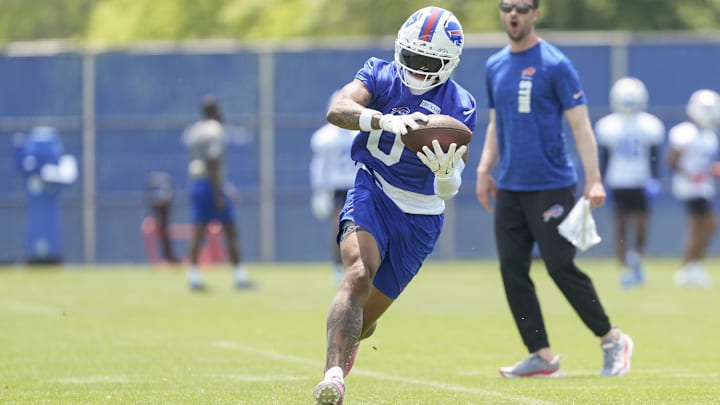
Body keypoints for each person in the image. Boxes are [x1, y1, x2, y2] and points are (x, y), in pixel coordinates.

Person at [312, 7, 476, 404]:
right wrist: (379, 120)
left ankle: (350, 339)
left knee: (362, 324)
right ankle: (333, 377)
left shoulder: (460, 103)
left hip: (421, 216)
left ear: (449, 64)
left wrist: (444, 174)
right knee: (357, 274)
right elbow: (338, 108)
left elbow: (451, 188)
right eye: (412, 58)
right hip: (374, 189)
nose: (417, 70)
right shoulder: (379, 73)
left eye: (428, 62)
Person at [474, 0, 633, 378]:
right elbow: (496, 124)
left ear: (536, 13)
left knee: (560, 266)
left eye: (522, 7)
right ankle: (542, 356)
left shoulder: (556, 64)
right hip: (510, 186)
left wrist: (594, 178)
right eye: (507, 6)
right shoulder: (495, 65)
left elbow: (581, 126)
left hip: (552, 185)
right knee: (512, 269)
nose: (513, 13)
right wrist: (484, 169)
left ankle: (612, 339)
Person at [595, 77, 665, 288]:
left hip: (641, 180)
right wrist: (601, 180)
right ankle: (623, 265)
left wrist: (654, 179)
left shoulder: (649, 124)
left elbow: (654, 155)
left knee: (642, 224)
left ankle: (637, 259)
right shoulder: (608, 125)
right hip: (618, 180)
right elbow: (604, 157)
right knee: (621, 225)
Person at [182, 95, 254, 291]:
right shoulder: (216, 130)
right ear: (216, 111)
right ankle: (239, 277)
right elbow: (213, 161)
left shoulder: (195, 130)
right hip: (211, 185)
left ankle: (194, 277)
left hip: (197, 183)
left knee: (198, 232)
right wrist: (218, 193)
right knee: (230, 229)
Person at [666, 89, 720, 288]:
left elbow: (706, 164)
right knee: (708, 223)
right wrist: (690, 173)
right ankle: (691, 266)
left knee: (698, 226)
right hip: (689, 187)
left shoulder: (709, 135)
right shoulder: (684, 133)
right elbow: (671, 160)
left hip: (703, 186)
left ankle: (691, 266)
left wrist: (712, 170)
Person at [309, 91, 359, 286]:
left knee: (364, 229)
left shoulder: (360, 132)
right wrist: (319, 191)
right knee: (339, 229)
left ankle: (361, 266)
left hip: (360, 184)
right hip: (338, 187)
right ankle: (339, 267)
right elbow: (319, 166)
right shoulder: (324, 136)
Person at [144, 171, 180, 264]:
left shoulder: (165, 204)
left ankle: (168, 257)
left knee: (165, 236)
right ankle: (166, 257)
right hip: (161, 223)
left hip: (164, 223)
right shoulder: (157, 204)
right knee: (162, 237)